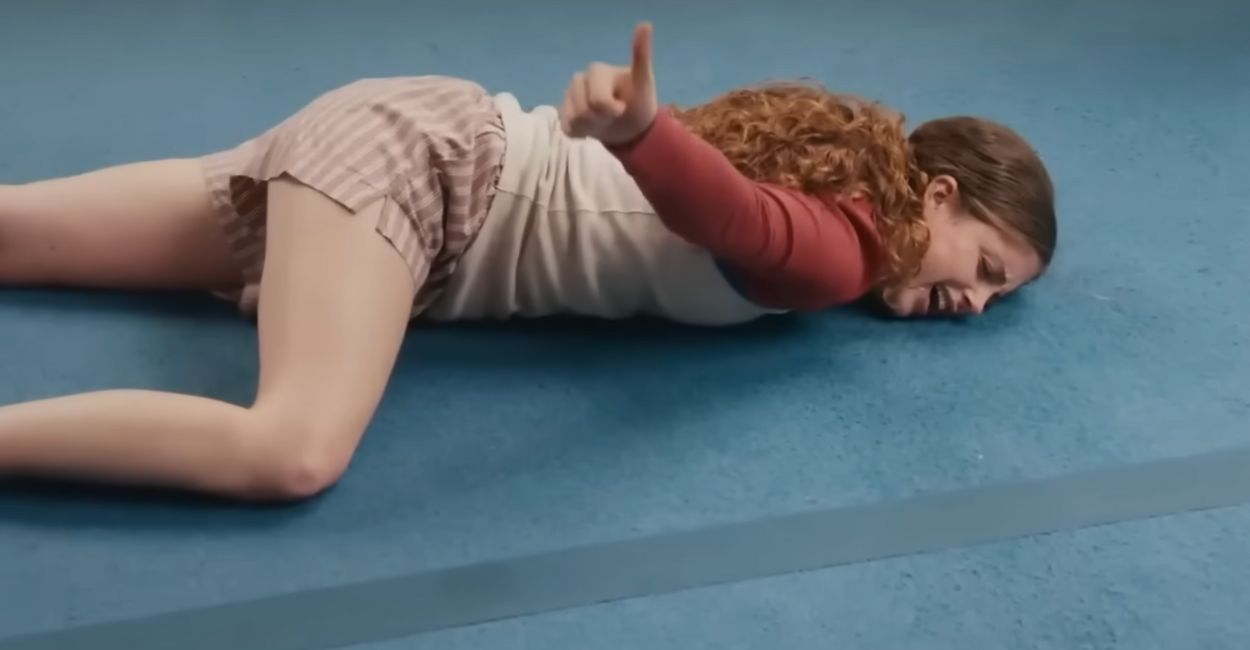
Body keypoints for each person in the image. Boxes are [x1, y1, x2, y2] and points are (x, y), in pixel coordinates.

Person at [0, 23, 1055, 501]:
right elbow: (739, 218)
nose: (973, 303)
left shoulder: (826, 164)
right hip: (421, 174)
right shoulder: (845, 250)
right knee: (290, 451)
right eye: (987, 268)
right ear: (936, 195)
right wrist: (646, 136)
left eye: (995, 297)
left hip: (417, 141)